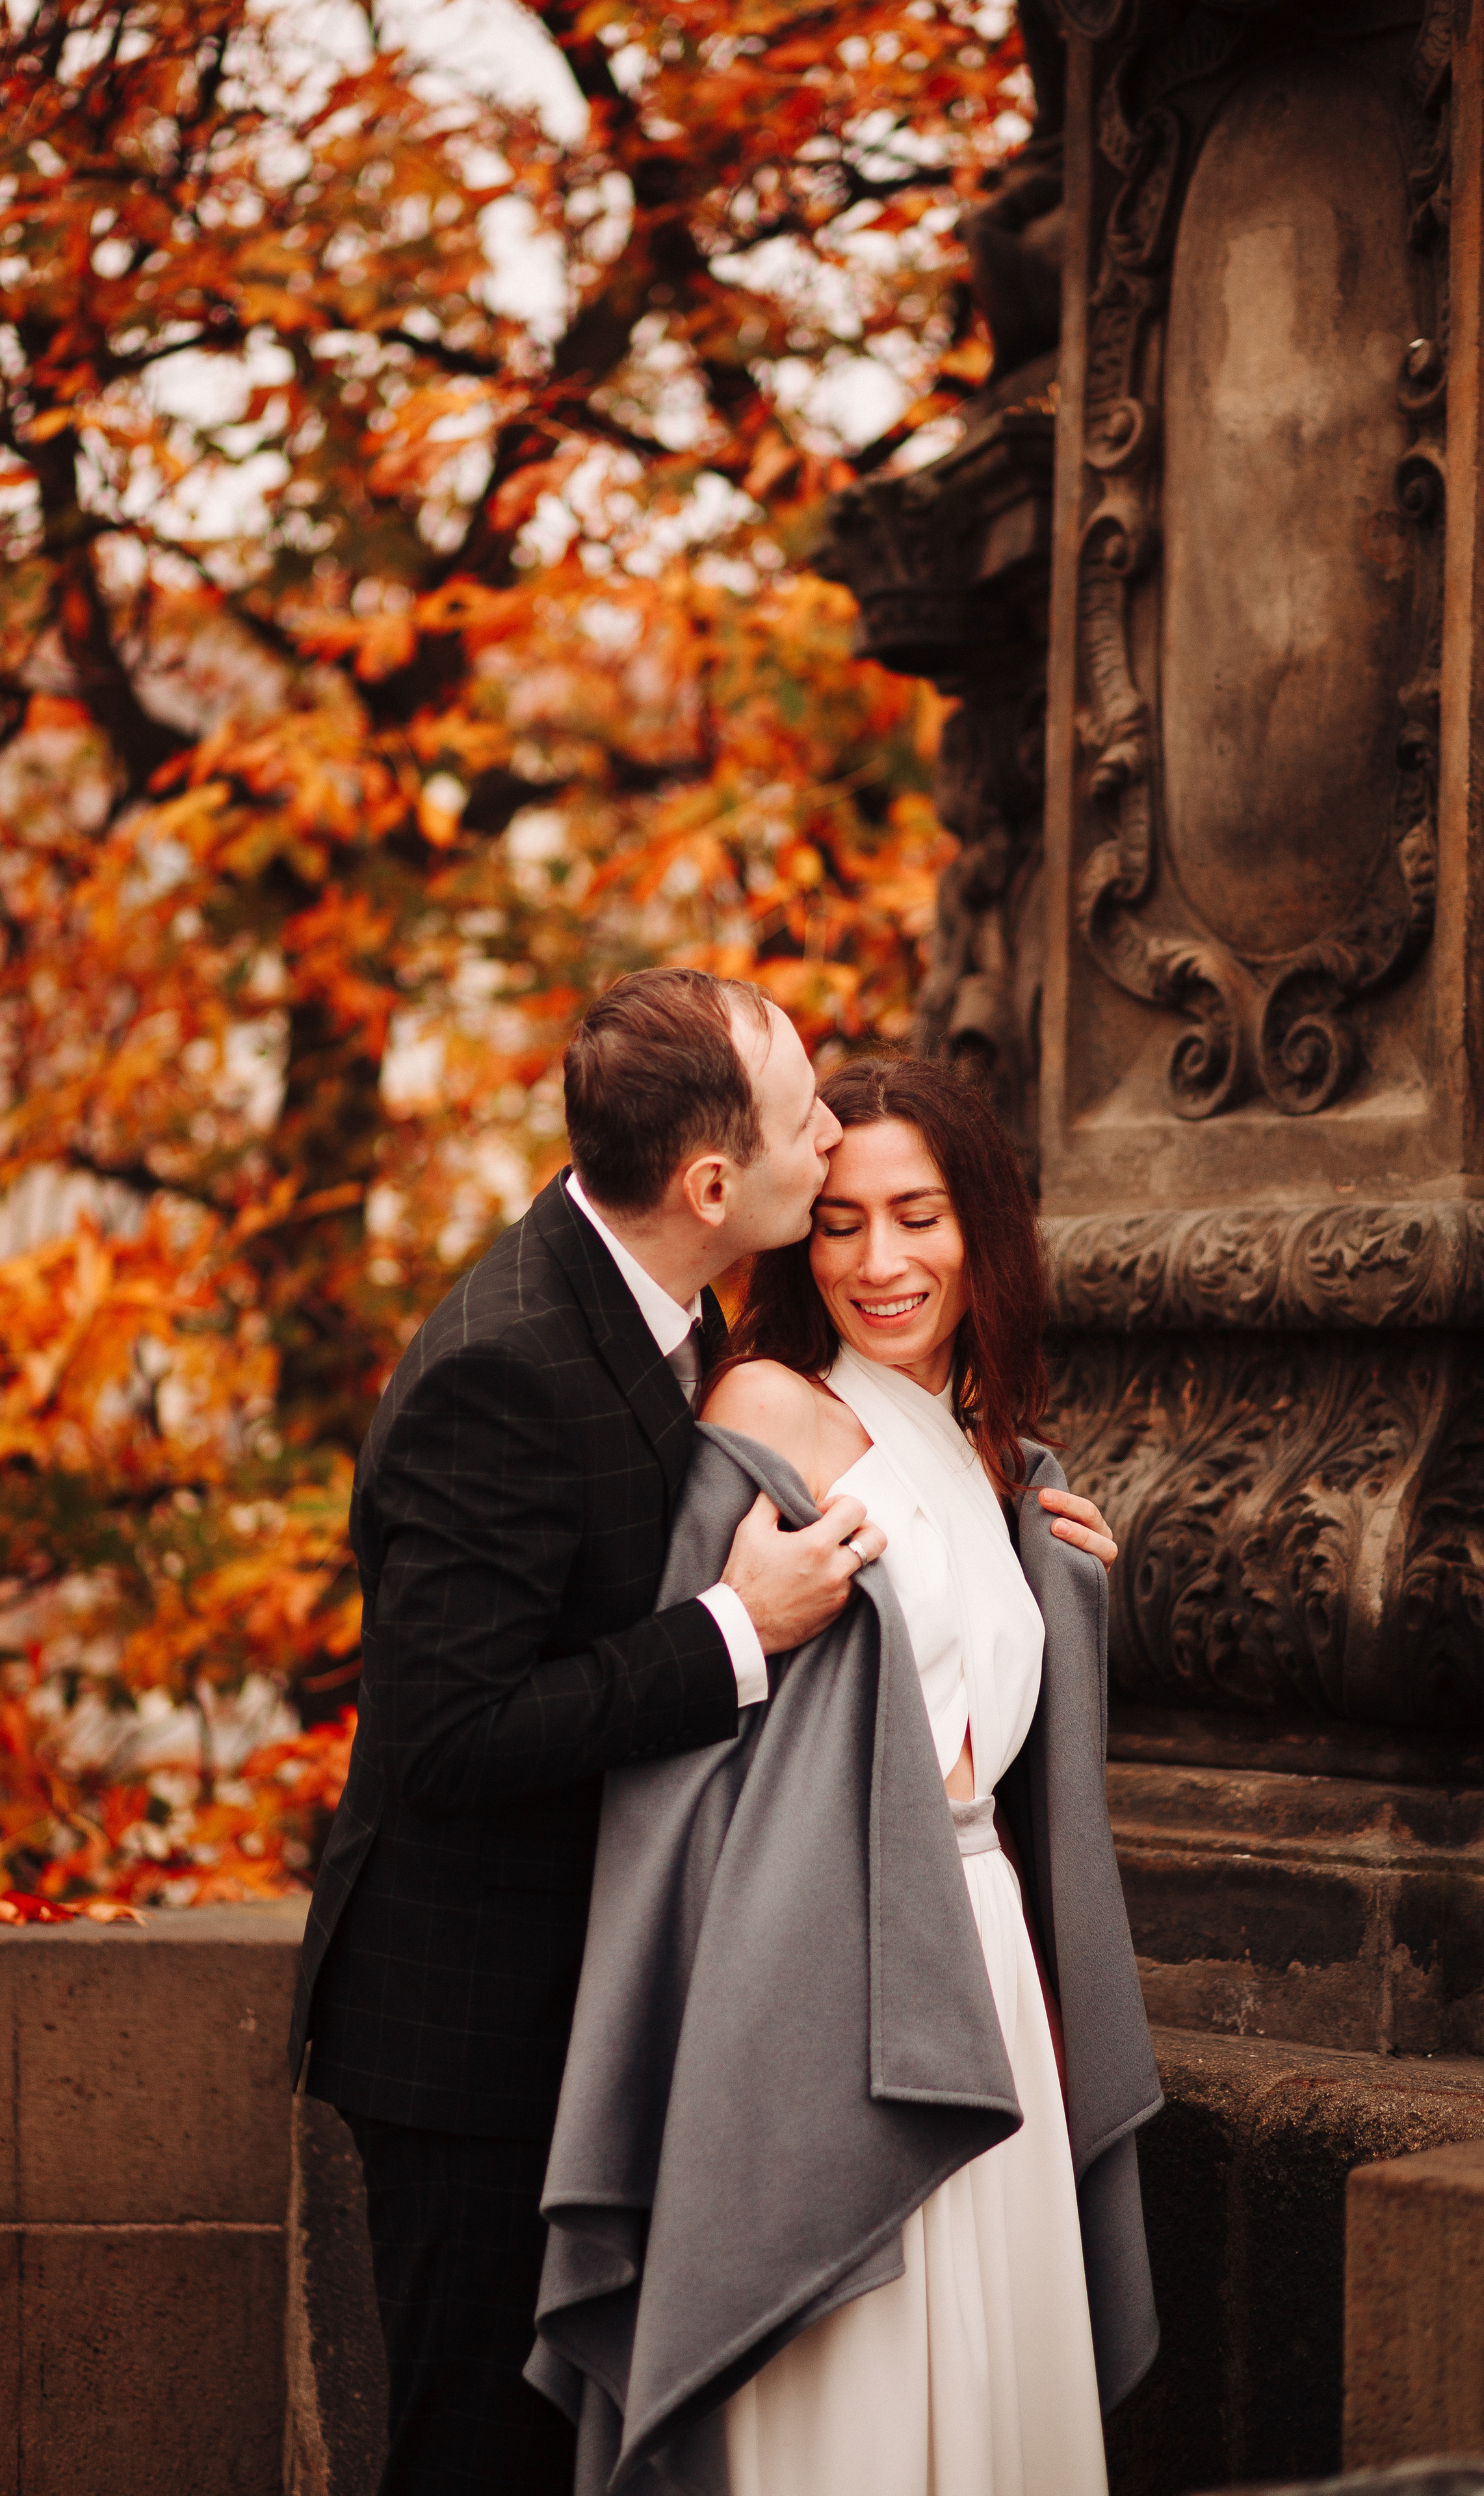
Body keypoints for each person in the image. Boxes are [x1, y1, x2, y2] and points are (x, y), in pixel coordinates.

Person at [287, 967, 893, 2496]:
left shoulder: (665, 1304)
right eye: (802, 1116)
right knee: (476, 2458)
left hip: (591, 2003)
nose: (829, 1135)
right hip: (468, 2037)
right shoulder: (501, 1362)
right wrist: (730, 1635)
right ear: (708, 1182)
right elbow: (448, 1732)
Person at [529, 1052, 1160, 2496]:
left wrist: (1056, 1585)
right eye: (838, 1220)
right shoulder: (762, 1409)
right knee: (848, 2407)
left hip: (985, 1951)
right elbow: (682, 1759)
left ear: (980, 1226)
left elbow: (991, 1730)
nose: (878, 1259)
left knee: (991, 2388)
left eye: (918, 1215)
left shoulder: (997, 1458)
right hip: (818, 1975)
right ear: (794, 1237)